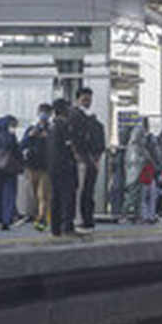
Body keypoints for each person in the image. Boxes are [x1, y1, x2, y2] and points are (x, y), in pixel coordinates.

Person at [69, 87, 106, 230]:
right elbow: (74, 140)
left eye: (89, 100)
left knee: (88, 190)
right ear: (77, 100)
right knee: (81, 190)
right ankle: (80, 218)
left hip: (91, 160)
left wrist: (96, 158)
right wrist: (79, 156)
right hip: (82, 160)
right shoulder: (75, 117)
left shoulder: (91, 119)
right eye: (84, 100)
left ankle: (87, 218)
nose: (87, 103)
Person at [46, 98, 78, 236]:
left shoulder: (51, 126)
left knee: (56, 197)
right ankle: (67, 226)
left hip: (53, 167)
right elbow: (69, 146)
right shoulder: (64, 126)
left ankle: (55, 228)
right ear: (63, 109)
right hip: (65, 166)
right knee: (67, 197)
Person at [0, 115, 23, 230]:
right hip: (9, 170)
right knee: (8, 195)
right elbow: (17, 152)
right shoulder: (11, 137)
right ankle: (6, 220)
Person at [21, 103, 51, 231]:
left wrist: (48, 138)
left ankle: (42, 218)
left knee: (43, 194)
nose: (44, 115)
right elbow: (21, 145)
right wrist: (30, 136)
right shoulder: (32, 129)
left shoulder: (51, 129)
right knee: (33, 193)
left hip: (46, 166)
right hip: (31, 165)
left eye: (46, 113)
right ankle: (34, 215)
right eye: (42, 112)